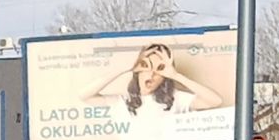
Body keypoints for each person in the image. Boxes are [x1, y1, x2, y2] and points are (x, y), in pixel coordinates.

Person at [85, 43, 223, 117]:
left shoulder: (176, 99)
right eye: (146, 66)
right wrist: (125, 68)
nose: (151, 74)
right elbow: (85, 95)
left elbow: (215, 101)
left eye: (159, 69)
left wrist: (176, 75)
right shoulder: (122, 101)